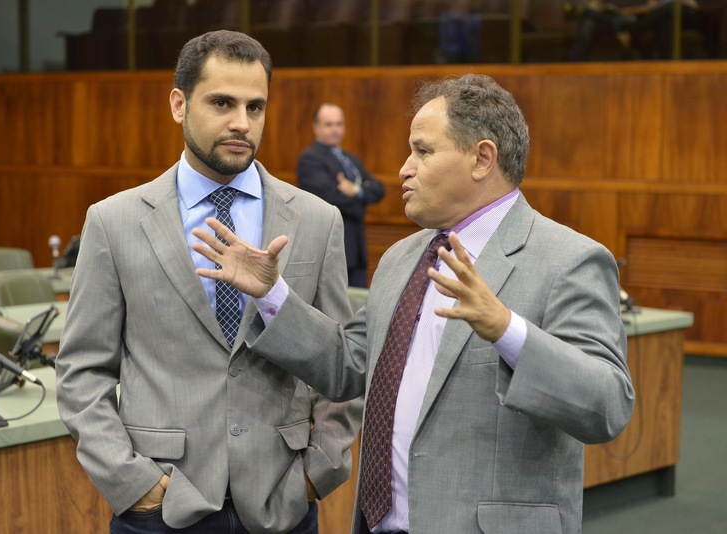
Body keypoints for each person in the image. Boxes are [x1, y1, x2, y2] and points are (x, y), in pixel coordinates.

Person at [193, 74, 635, 533]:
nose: (404, 169)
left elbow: (607, 405)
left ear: (482, 159)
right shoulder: (403, 258)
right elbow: (348, 365)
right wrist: (272, 294)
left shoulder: (569, 260)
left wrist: (507, 330)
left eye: (423, 151)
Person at [55, 30, 362, 534]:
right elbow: (82, 372)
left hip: (282, 503)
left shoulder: (317, 219)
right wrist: (133, 482)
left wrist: (318, 471)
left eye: (255, 107)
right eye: (222, 103)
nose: (242, 122)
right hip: (162, 507)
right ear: (179, 105)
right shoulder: (113, 221)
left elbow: (343, 367)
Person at [297, 104, 386, 288]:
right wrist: (361, 202)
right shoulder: (310, 159)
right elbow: (331, 198)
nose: (335, 129)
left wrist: (355, 190)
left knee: (358, 301)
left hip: (357, 250)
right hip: (331, 251)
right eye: (329, 124)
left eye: (339, 124)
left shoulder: (351, 159)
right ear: (316, 127)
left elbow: (378, 190)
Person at [566, 0, 702, 61]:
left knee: (629, 21)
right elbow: (594, 3)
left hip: (630, 17)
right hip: (606, 17)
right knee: (587, 22)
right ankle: (575, 68)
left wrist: (626, 11)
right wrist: (601, 9)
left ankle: (586, 13)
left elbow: (650, 7)